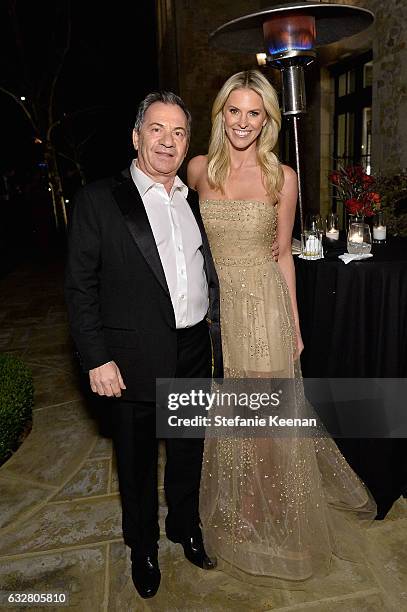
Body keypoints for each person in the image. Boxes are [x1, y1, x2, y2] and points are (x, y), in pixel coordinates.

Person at [188, 70, 376, 584]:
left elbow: (284, 255)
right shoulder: (198, 169)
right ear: (221, 112)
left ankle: (263, 507)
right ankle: (242, 501)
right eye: (235, 111)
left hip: (264, 309)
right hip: (217, 310)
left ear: (268, 119)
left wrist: (293, 321)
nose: (243, 122)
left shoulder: (282, 178)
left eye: (255, 113)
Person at [65, 92, 223, 599]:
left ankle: (184, 527)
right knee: (134, 463)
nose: (167, 141)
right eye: (157, 129)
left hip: (193, 347)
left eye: (178, 132)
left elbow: (201, 272)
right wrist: (96, 357)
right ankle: (143, 546)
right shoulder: (98, 200)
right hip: (130, 359)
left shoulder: (191, 199)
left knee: (186, 452)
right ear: (136, 137)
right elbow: (80, 287)